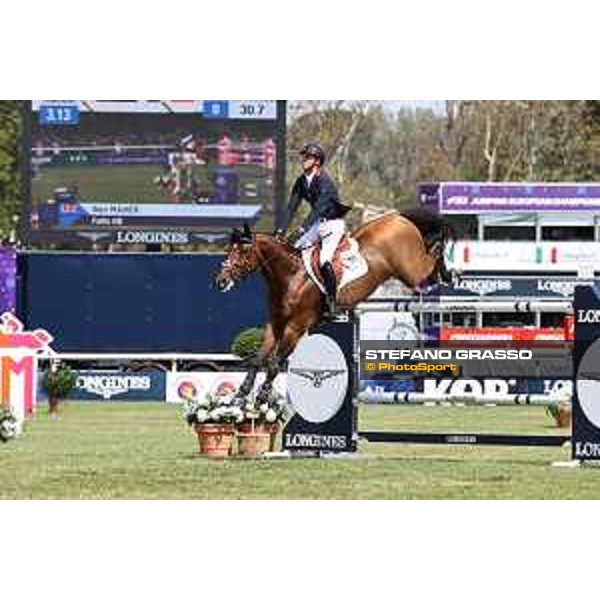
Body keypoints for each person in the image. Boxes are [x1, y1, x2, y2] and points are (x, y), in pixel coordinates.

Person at [275, 143, 351, 316]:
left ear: (317, 162)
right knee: (295, 251)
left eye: (307, 157)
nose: (303, 160)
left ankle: (332, 303)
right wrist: (280, 231)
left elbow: (318, 210)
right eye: (304, 157)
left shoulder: (326, 183)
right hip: (317, 225)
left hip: (332, 224)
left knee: (324, 260)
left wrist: (302, 229)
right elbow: (291, 208)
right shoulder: (302, 181)